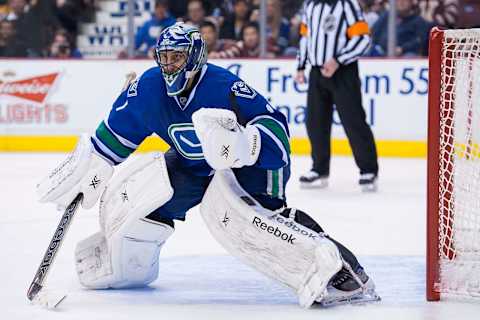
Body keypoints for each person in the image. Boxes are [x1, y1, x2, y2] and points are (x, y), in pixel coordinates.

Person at [36, 23, 379, 308]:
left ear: (196, 57)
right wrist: (93, 164)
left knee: (251, 220)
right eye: (164, 57)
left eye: (177, 57)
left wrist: (248, 145)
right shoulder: (147, 90)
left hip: (252, 166)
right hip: (193, 166)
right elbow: (111, 138)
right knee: (141, 194)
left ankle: (341, 271)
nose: (169, 65)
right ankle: (125, 266)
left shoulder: (224, 87)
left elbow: (275, 128)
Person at [296, 0, 379, 191]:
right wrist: (301, 65)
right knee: (315, 122)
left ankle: (368, 170)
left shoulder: (347, 4)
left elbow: (363, 38)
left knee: (353, 120)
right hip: (317, 72)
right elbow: (305, 37)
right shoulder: (310, 5)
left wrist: (338, 60)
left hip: (343, 72)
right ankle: (319, 168)